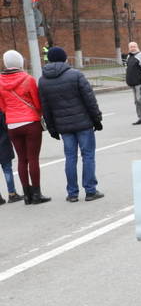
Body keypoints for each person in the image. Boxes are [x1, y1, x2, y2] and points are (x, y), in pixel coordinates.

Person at [38, 46, 105, 202]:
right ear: (65, 58)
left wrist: (52, 128)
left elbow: (45, 108)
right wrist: (97, 118)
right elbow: (89, 99)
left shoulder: (43, 80)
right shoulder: (75, 75)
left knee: (70, 158)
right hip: (83, 123)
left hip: (63, 127)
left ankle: (72, 193)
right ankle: (90, 190)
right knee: (88, 156)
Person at [0, 50, 51, 204]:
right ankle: (37, 194)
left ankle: (26, 195)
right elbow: (37, 103)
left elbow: (2, 107)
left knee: (22, 160)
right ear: (20, 62)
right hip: (30, 123)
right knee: (33, 159)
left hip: (12, 124)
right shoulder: (28, 79)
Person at [0, 110, 23, 204]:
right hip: (3, 143)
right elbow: (5, 126)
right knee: (7, 169)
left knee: (7, 169)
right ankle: (12, 194)